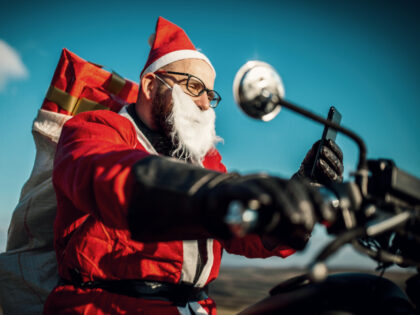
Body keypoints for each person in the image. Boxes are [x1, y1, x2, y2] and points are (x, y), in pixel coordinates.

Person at [43, 17, 344, 315]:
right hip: (107, 307)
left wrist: (294, 198)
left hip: (197, 308)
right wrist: (223, 192)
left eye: (210, 95)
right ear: (150, 85)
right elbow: (107, 177)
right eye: (193, 86)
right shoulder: (97, 129)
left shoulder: (205, 161)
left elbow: (241, 232)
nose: (204, 103)